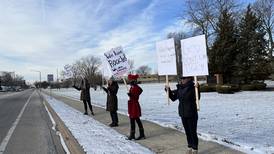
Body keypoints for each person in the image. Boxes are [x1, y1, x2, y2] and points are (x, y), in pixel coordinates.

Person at [165, 76, 200, 154]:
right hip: (183, 113)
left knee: (192, 132)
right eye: (181, 79)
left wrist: (198, 88)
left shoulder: (193, 87)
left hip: (191, 113)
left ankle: (195, 148)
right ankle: (189, 147)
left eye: (184, 78)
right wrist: (168, 91)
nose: (182, 80)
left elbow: (198, 97)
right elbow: (173, 98)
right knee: (187, 132)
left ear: (189, 79)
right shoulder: (180, 88)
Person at [127, 74, 145, 140]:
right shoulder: (132, 87)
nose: (130, 81)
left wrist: (130, 95)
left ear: (134, 80)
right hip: (132, 105)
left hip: (134, 105)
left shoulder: (136, 87)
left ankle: (141, 134)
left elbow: (135, 97)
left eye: (131, 80)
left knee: (136, 119)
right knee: (133, 120)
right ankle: (133, 134)